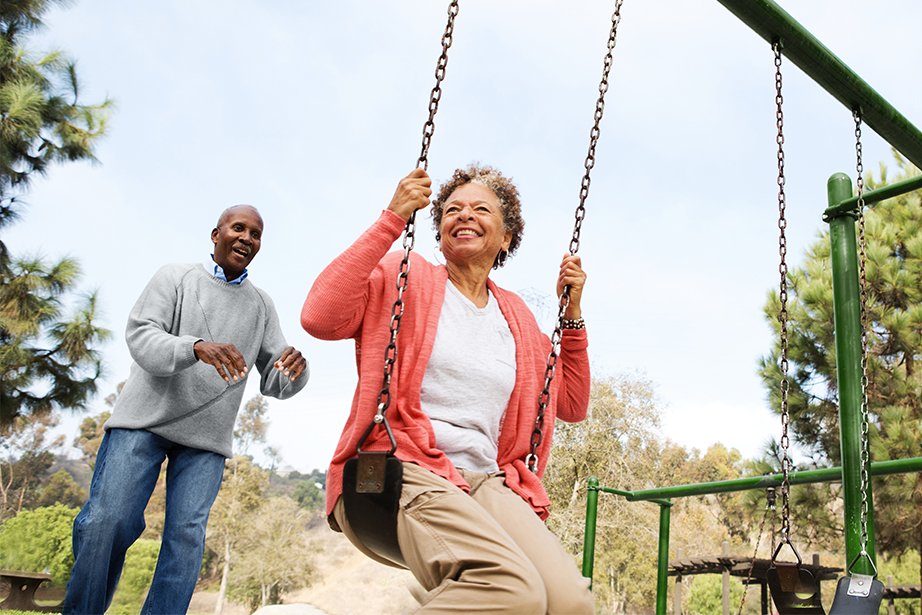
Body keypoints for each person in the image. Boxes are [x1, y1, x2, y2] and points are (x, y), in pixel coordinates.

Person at [301, 165, 593, 614]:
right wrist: (391, 220)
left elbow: (571, 403)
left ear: (506, 238)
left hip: (485, 480)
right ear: (438, 233)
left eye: (481, 209)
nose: (464, 216)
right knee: (507, 589)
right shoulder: (404, 274)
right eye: (452, 210)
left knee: (568, 602)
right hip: (403, 463)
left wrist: (571, 314)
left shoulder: (515, 317)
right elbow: (319, 317)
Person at [63, 205, 309, 615]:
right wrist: (194, 347)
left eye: (256, 234)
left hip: (206, 440)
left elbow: (274, 379)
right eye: (239, 228)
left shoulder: (262, 306)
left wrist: (294, 372)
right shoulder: (175, 277)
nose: (247, 238)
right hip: (143, 422)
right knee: (108, 522)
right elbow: (142, 336)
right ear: (216, 234)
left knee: (186, 538)